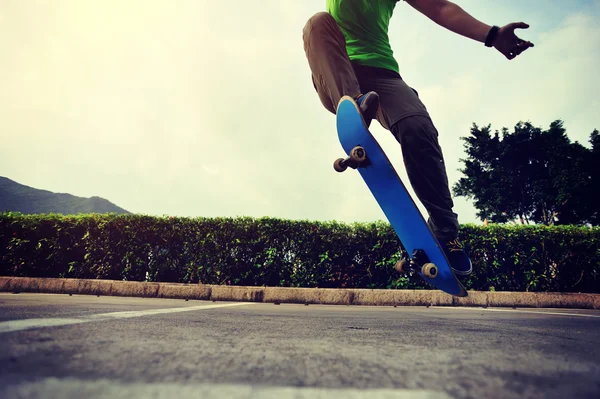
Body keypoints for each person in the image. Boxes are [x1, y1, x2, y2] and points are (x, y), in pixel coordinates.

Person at [302, 0, 533, 276]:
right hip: (336, 71)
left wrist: (492, 35)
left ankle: (445, 231)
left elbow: (440, 8)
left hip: (383, 74)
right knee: (317, 23)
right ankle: (354, 106)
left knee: (418, 128)